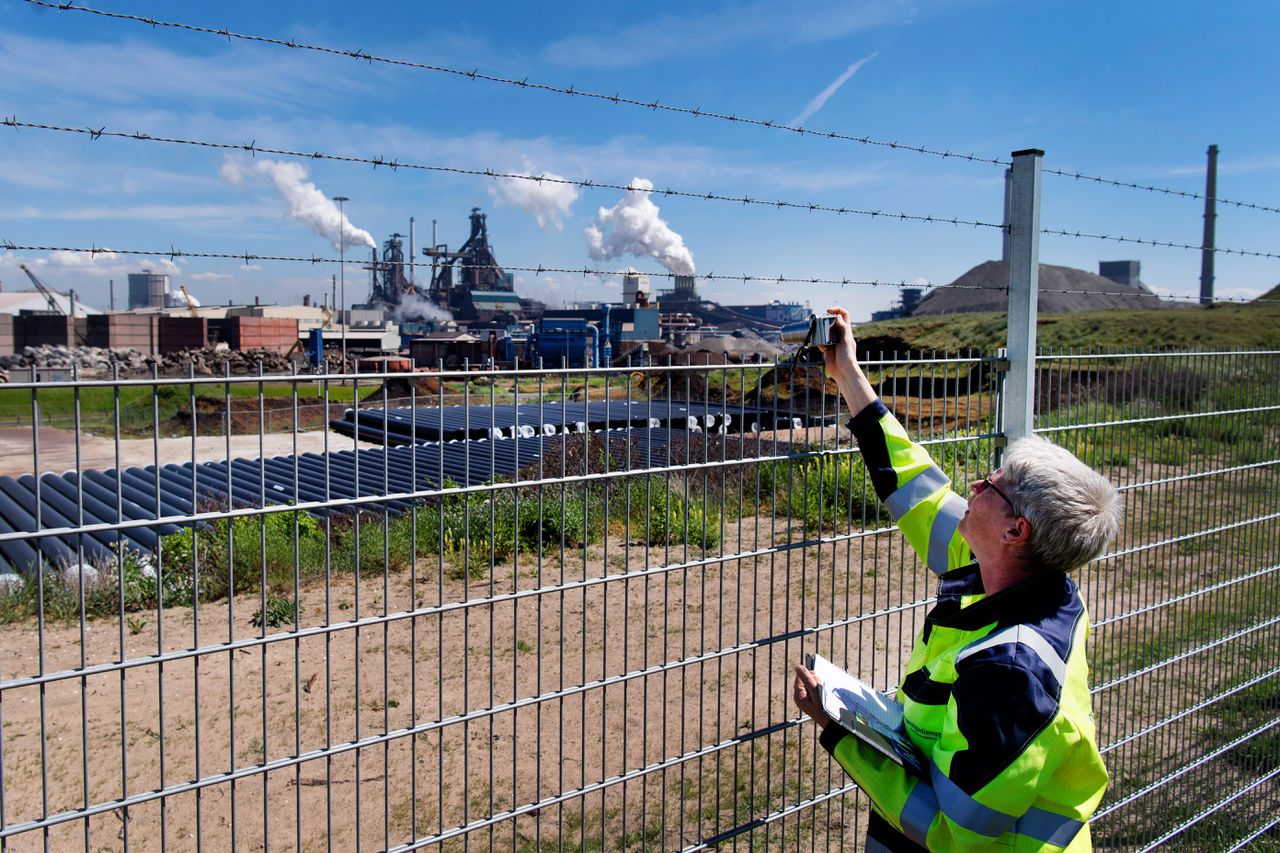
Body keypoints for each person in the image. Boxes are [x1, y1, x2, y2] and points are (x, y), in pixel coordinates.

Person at [792, 307, 1121, 852]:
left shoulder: (1012, 677)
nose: (975, 484)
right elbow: (918, 489)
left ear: (1016, 529)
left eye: (993, 485)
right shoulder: (1017, 575)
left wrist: (840, 731)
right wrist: (847, 374)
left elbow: (951, 833)